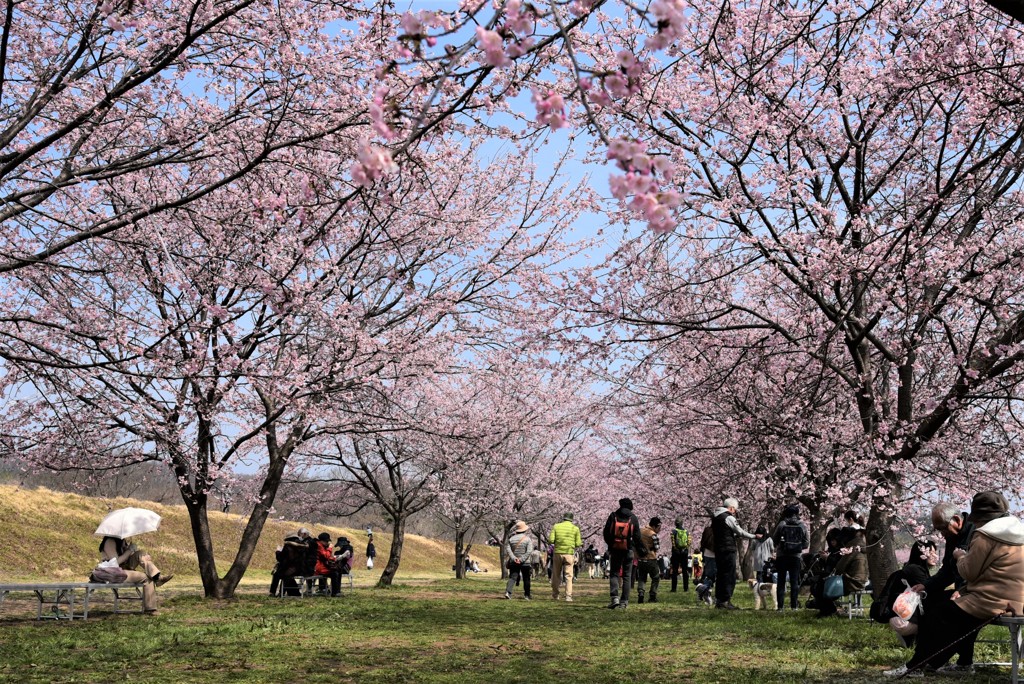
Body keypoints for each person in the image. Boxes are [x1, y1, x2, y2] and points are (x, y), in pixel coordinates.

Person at [885, 491, 1024, 678]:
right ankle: (946, 663)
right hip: (1014, 600)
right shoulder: (1016, 533)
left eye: (942, 528)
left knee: (940, 615)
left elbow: (968, 572)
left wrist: (960, 557)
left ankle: (916, 665)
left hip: (993, 600)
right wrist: (928, 585)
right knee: (948, 611)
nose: (977, 524)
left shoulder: (985, 535)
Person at [872, 539, 938, 646]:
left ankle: (912, 638)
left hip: (900, 615)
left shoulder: (911, 567)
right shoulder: (916, 570)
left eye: (935, 552)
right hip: (903, 619)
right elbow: (932, 592)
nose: (934, 556)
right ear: (922, 553)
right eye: (931, 553)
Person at [96, 536, 171, 613]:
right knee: (146, 577)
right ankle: (151, 607)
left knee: (140, 553)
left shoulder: (120, 540)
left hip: (123, 569)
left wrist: (143, 556)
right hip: (113, 573)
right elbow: (116, 562)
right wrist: (129, 550)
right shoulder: (109, 541)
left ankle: (156, 576)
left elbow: (126, 557)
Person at [711, 497, 759, 610]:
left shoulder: (716, 517)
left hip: (718, 549)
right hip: (728, 549)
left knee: (721, 574)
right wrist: (754, 536)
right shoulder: (728, 517)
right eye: (735, 509)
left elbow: (724, 532)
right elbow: (740, 531)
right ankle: (726, 600)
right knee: (729, 575)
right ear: (731, 508)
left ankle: (719, 600)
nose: (735, 512)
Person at [812, 528, 868, 617]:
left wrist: (828, 559)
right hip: (863, 580)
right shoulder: (862, 547)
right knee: (823, 582)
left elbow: (839, 567)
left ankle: (827, 610)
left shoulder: (851, 549)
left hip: (852, 581)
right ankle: (826, 607)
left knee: (822, 584)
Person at [603, 497, 644, 609]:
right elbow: (637, 536)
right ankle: (624, 601)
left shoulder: (613, 516)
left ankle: (614, 598)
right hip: (629, 549)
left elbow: (606, 533)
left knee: (614, 573)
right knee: (627, 575)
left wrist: (612, 544)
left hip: (615, 549)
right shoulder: (633, 518)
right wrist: (641, 549)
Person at [772, 503, 809, 611]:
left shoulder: (782, 524)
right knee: (794, 582)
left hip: (782, 556)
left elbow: (775, 540)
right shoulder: (802, 525)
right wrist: (797, 547)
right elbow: (806, 543)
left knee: (781, 581)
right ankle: (794, 606)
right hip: (795, 557)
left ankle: (780, 607)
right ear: (797, 514)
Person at [550, 512, 582, 602]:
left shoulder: (556, 526)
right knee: (569, 575)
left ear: (563, 518)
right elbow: (578, 543)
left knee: (556, 575)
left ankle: (555, 595)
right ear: (572, 519)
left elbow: (551, 540)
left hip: (558, 553)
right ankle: (568, 596)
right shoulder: (575, 528)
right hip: (569, 553)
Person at [270, 529, 309, 596]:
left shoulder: (288, 546)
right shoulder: (303, 545)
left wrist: (278, 552)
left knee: (277, 575)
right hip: (301, 568)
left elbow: (281, 558)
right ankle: (282, 593)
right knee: (286, 576)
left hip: (290, 568)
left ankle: (273, 592)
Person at [504, 520, 534, 600]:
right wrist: (521, 559)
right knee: (526, 578)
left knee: (513, 577)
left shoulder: (511, 539)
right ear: (525, 530)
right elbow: (529, 551)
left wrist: (514, 558)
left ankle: (508, 592)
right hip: (525, 562)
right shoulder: (527, 539)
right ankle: (527, 595)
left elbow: (508, 550)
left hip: (514, 562)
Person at [636, 517, 663, 604]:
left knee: (642, 578)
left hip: (640, 559)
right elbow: (657, 547)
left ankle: (641, 593)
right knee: (655, 577)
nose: (659, 530)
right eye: (659, 528)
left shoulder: (640, 531)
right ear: (655, 526)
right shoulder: (653, 534)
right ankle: (652, 596)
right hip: (651, 559)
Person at [311, 532, 341, 596]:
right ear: (322, 541)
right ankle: (334, 593)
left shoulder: (321, 546)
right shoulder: (319, 546)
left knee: (336, 571)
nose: (327, 543)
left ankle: (332, 591)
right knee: (334, 573)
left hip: (321, 566)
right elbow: (326, 555)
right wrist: (330, 548)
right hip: (318, 567)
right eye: (327, 541)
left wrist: (334, 558)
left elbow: (328, 556)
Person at [695, 523, 716, 605]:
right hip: (715, 555)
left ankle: (705, 591)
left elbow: (703, 542)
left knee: (709, 575)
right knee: (713, 576)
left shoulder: (707, 529)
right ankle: (703, 589)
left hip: (707, 554)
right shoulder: (719, 530)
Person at [670, 519, 690, 592]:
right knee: (685, 571)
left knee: (675, 571)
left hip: (676, 553)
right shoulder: (687, 532)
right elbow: (689, 542)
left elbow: (672, 542)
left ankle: (674, 588)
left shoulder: (673, 531)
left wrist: (676, 549)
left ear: (675, 523)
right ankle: (686, 588)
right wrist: (685, 549)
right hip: (684, 553)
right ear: (682, 523)